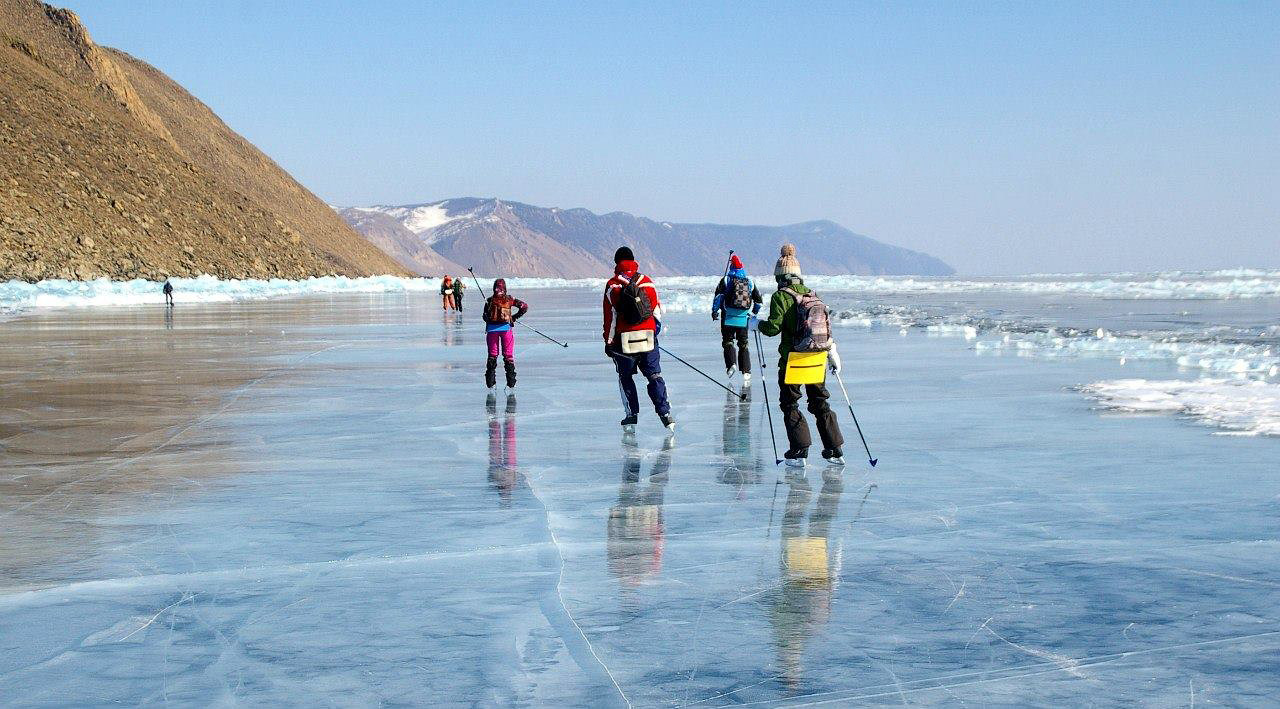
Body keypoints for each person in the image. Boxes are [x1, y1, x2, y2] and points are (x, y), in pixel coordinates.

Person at [756, 244, 844, 466]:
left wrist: (756, 325)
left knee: (790, 404)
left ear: (780, 276)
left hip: (793, 360)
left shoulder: (780, 297)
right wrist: (832, 353)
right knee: (819, 402)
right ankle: (835, 449)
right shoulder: (812, 295)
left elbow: (773, 328)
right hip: (816, 358)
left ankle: (799, 449)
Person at [603, 246, 674, 432]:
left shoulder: (613, 286)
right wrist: (653, 332)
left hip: (624, 340)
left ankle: (631, 414)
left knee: (625, 377)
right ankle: (665, 414)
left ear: (616, 263)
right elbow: (656, 312)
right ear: (634, 261)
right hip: (648, 338)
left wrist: (608, 342)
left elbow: (610, 318)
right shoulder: (647, 282)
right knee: (654, 375)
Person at [712, 253, 762, 386]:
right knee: (743, 343)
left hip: (727, 317)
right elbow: (758, 301)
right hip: (743, 317)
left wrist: (714, 312)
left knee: (728, 341)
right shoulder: (749, 281)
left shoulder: (726, 280)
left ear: (731, 267)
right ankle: (746, 371)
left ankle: (731, 365)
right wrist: (754, 312)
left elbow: (718, 298)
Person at [482, 278, 528, 389]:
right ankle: (511, 385)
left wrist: (489, 319)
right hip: (506, 330)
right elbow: (524, 306)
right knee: (508, 356)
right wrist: (514, 317)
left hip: (492, 332)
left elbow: (485, 316)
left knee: (492, 356)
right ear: (505, 288)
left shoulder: (489, 300)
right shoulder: (510, 299)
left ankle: (491, 384)